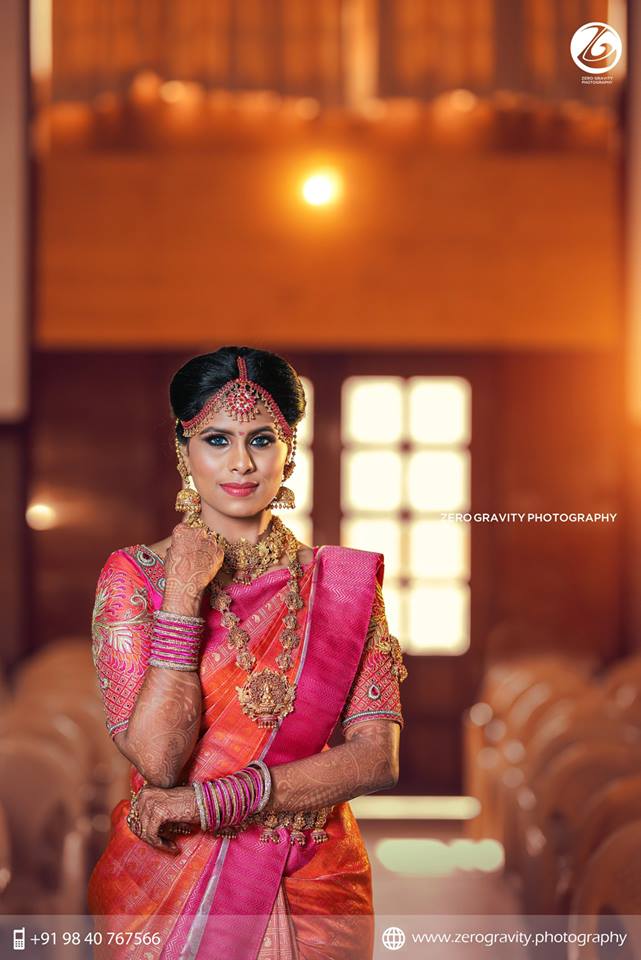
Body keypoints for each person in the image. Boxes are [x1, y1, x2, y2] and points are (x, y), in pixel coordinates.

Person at [88, 346, 408, 960]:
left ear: (289, 451)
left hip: (313, 876)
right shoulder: (138, 578)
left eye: (261, 439)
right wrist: (184, 592)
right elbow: (159, 760)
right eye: (217, 439)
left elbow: (376, 760)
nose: (240, 462)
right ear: (184, 450)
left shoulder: (339, 587)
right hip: (168, 880)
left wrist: (212, 802)